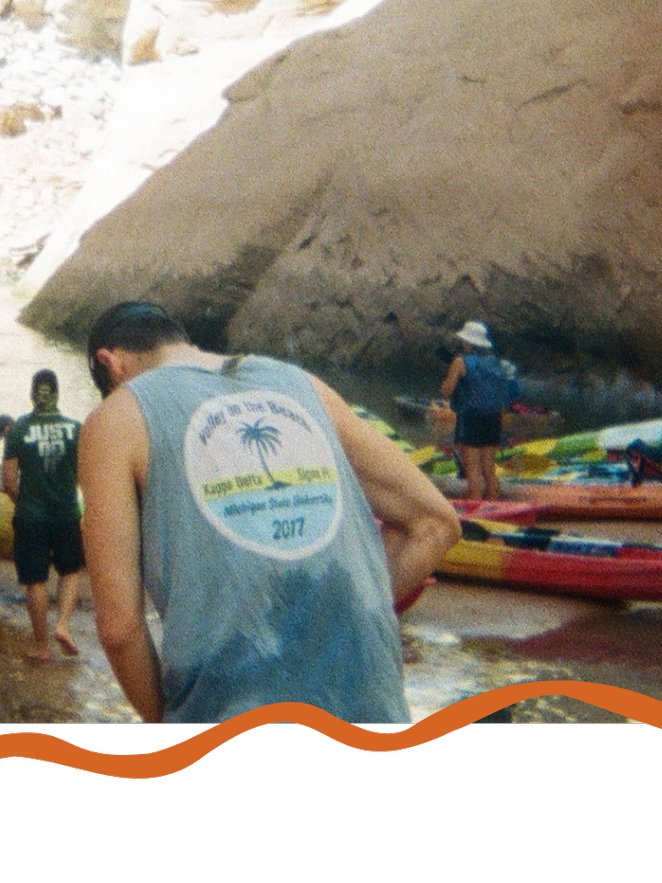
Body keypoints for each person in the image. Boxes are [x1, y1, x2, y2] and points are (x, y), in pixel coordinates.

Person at [77, 301, 460, 726]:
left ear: (110, 363)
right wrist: (331, 626)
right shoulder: (302, 384)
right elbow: (435, 523)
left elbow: (119, 628)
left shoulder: (117, 416)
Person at [1, 369, 85, 663]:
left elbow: (8, 480)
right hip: (66, 513)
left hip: (31, 515)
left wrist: (23, 501)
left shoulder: (18, 429)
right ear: (57, 394)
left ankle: (41, 646)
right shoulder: (76, 429)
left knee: (35, 580)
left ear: (32, 394)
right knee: (69, 571)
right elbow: (83, 476)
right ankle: (63, 624)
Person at [433, 322, 515, 504]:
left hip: (471, 418)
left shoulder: (460, 361)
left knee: (472, 469)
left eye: (464, 340)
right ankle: (493, 505)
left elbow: (447, 390)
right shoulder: (496, 363)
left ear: (468, 343)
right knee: (489, 469)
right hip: (493, 417)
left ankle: (475, 507)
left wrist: (444, 386)